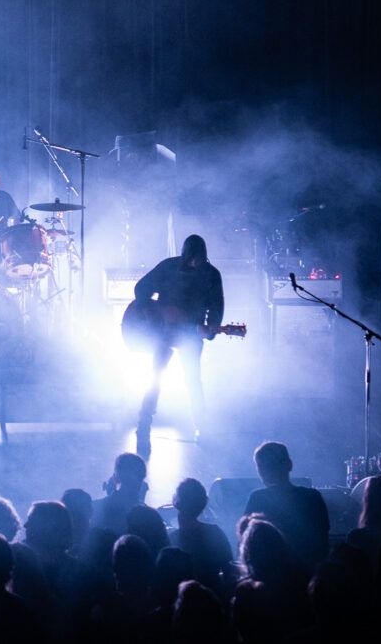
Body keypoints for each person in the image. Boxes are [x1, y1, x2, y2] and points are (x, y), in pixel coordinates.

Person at [126, 234, 224, 456]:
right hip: (163, 333)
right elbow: (141, 288)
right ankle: (143, 428)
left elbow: (217, 306)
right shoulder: (168, 267)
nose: (193, 263)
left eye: (197, 259)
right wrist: (151, 311)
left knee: (192, 380)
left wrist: (211, 329)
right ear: (185, 254)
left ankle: (202, 429)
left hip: (191, 333)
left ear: (203, 256)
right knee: (155, 378)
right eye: (190, 258)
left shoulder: (210, 275)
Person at [241, 441, 330, 571]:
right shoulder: (312, 496)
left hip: (270, 576)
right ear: (289, 465)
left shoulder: (258, 498)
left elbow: (245, 539)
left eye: (262, 467)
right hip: (307, 573)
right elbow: (323, 539)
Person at [168, 478, 237, 596]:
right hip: (213, 601)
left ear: (176, 501)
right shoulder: (215, 533)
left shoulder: (171, 539)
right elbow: (229, 571)